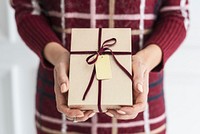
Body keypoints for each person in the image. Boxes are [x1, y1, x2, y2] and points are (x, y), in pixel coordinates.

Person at [11, 0, 189, 133]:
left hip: (141, 104)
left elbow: (176, 13)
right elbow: (26, 8)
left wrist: (146, 61)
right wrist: (58, 56)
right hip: (62, 101)